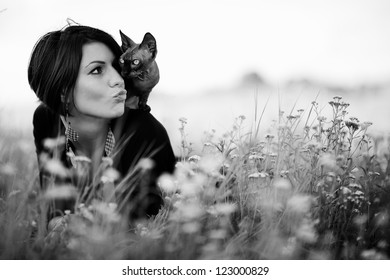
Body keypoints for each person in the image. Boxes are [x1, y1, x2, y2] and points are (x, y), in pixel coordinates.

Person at [28, 24, 175, 227]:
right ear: (63, 90)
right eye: (97, 70)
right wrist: (59, 224)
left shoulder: (144, 130)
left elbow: (144, 224)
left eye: (116, 66)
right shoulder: (47, 119)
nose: (118, 80)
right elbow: (53, 204)